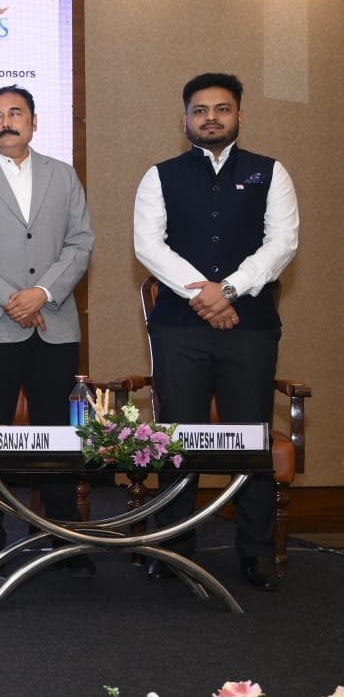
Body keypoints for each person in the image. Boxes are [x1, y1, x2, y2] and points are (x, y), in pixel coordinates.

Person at [134, 72, 298, 591]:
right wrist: (203, 296)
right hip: (179, 329)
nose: (211, 118)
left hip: (249, 328)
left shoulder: (271, 172)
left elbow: (282, 243)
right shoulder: (159, 176)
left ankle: (257, 552)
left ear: (239, 115)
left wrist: (227, 290)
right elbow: (148, 246)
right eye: (200, 110)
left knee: (249, 439)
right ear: (185, 118)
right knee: (176, 438)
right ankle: (172, 547)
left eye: (221, 109)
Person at [0, 85, 95, 576]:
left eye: (15, 113)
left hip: (55, 323)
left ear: (34, 121)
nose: (5, 122)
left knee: (56, 431)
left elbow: (80, 243)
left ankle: (61, 537)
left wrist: (42, 293)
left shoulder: (62, 175)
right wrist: (12, 299)